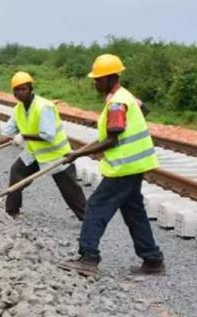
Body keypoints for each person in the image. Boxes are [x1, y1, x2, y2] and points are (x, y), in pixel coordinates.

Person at [59, 54, 164, 276]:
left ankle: (88, 258)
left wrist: (77, 154)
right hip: (134, 166)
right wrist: (78, 152)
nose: (95, 83)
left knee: (96, 207)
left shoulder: (117, 103)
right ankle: (153, 260)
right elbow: (145, 110)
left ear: (110, 78)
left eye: (98, 79)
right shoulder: (125, 97)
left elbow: (110, 139)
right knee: (134, 211)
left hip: (123, 167)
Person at [0, 71, 86, 221]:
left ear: (31, 89)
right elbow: (7, 134)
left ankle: (88, 219)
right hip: (34, 153)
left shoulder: (44, 107)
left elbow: (48, 135)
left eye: (23, 89)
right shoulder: (18, 110)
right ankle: (11, 211)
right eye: (17, 90)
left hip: (56, 155)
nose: (20, 93)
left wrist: (24, 136)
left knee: (70, 190)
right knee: (17, 171)